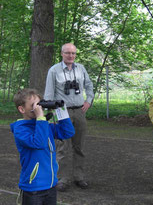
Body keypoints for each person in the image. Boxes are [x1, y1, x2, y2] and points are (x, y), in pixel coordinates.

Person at [10, 88, 75, 205]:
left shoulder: (45, 126)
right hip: (33, 186)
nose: (38, 108)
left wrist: (62, 112)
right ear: (22, 109)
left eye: (40, 104)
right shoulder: (21, 129)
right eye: (34, 105)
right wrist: (41, 118)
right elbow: (39, 143)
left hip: (50, 184)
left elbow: (67, 132)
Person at [44, 43, 94, 192]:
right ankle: (62, 179)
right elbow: (49, 93)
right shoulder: (54, 70)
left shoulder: (81, 69)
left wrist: (88, 101)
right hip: (61, 112)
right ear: (62, 54)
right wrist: (50, 113)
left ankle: (79, 177)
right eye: (67, 53)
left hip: (79, 111)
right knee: (62, 147)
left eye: (73, 53)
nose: (71, 56)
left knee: (80, 147)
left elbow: (89, 85)